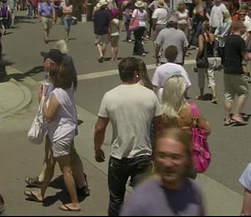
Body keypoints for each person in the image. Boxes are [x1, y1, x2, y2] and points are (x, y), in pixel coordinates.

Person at [93, 57, 163, 216]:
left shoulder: (109, 96)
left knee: (116, 199)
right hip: (143, 155)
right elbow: (160, 125)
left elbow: (99, 128)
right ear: (136, 74)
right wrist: (155, 149)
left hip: (119, 156)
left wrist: (97, 149)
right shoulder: (150, 95)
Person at [24, 62, 82, 212]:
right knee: (50, 163)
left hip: (60, 135)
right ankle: (40, 193)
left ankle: (74, 202)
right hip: (63, 132)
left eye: (50, 74)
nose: (48, 76)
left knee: (66, 170)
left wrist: (42, 100)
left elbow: (49, 116)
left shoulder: (57, 94)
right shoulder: (68, 88)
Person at [120, 127, 206, 216]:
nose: (168, 164)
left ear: (187, 159)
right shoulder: (140, 200)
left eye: (175, 157)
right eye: (162, 156)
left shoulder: (194, 191)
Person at [223, 21, 251, 126]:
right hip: (236, 70)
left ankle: (227, 117)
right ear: (240, 28)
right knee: (244, 92)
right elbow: (245, 56)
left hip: (227, 69)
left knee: (228, 94)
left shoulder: (228, 39)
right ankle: (237, 114)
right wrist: (250, 57)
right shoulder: (240, 41)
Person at [197, 21, 218, 103]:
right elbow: (215, 47)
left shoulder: (201, 36)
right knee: (211, 77)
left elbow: (201, 49)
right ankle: (214, 94)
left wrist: (198, 56)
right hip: (212, 58)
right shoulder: (213, 36)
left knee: (201, 77)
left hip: (204, 58)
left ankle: (201, 94)